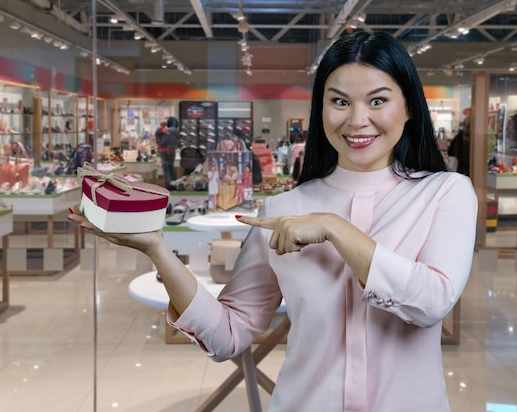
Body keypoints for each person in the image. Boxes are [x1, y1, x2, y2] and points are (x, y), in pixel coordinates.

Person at [68, 30, 477, 412]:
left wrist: (335, 228)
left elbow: (431, 302)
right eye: (339, 102)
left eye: (377, 101)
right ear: (321, 109)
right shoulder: (284, 207)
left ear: (408, 107)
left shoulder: (446, 193)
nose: (356, 120)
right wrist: (157, 248)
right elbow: (229, 333)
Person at [158, 116, 179, 189]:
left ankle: (167, 186)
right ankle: (175, 184)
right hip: (172, 152)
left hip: (164, 152)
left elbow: (161, 142)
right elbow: (178, 143)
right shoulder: (177, 131)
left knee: (165, 170)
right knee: (171, 169)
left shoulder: (165, 131)